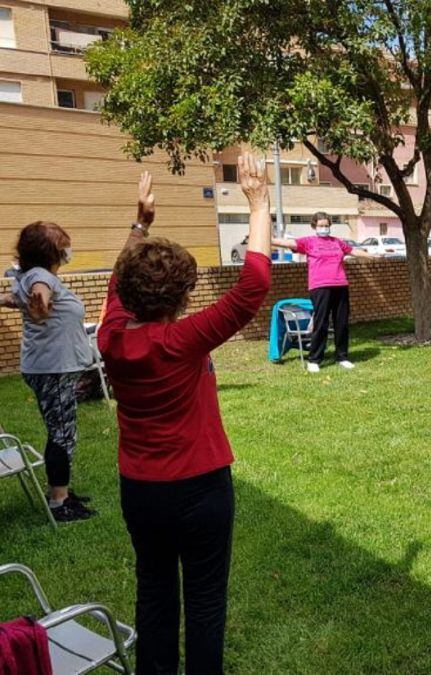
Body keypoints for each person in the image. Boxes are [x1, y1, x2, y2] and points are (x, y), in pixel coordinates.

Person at [98, 155, 272, 674]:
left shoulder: (111, 336)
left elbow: (115, 284)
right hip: (200, 491)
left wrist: (139, 226)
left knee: (153, 593)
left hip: (141, 490)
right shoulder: (183, 339)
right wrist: (259, 201)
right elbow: (253, 286)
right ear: (183, 296)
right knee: (204, 602)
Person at [0, 222, 95, 522]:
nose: (68, 249)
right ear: (49, 251)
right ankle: (58, 502)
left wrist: (22, 304)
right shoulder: (40, 276)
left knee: (63, 432)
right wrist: (40, 308)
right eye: (63, 243)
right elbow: (39, 297)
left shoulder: (30, 275)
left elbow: (18, 298)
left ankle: (61, 490)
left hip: (49, 368)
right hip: (51, 370)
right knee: (62, 434)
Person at [272, 212, 378, 373]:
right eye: (321, 225)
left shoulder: (337, 242)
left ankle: (342, 356)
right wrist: (267, 239)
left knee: (341, 323)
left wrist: (371, 256)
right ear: (314, 226)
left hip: (340, 285)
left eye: (326, 225)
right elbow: (288, 243)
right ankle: (314, 359)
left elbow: (353, 251)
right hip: (320, 287)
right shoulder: (308, 242)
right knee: (321, 323)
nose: (324, 228)